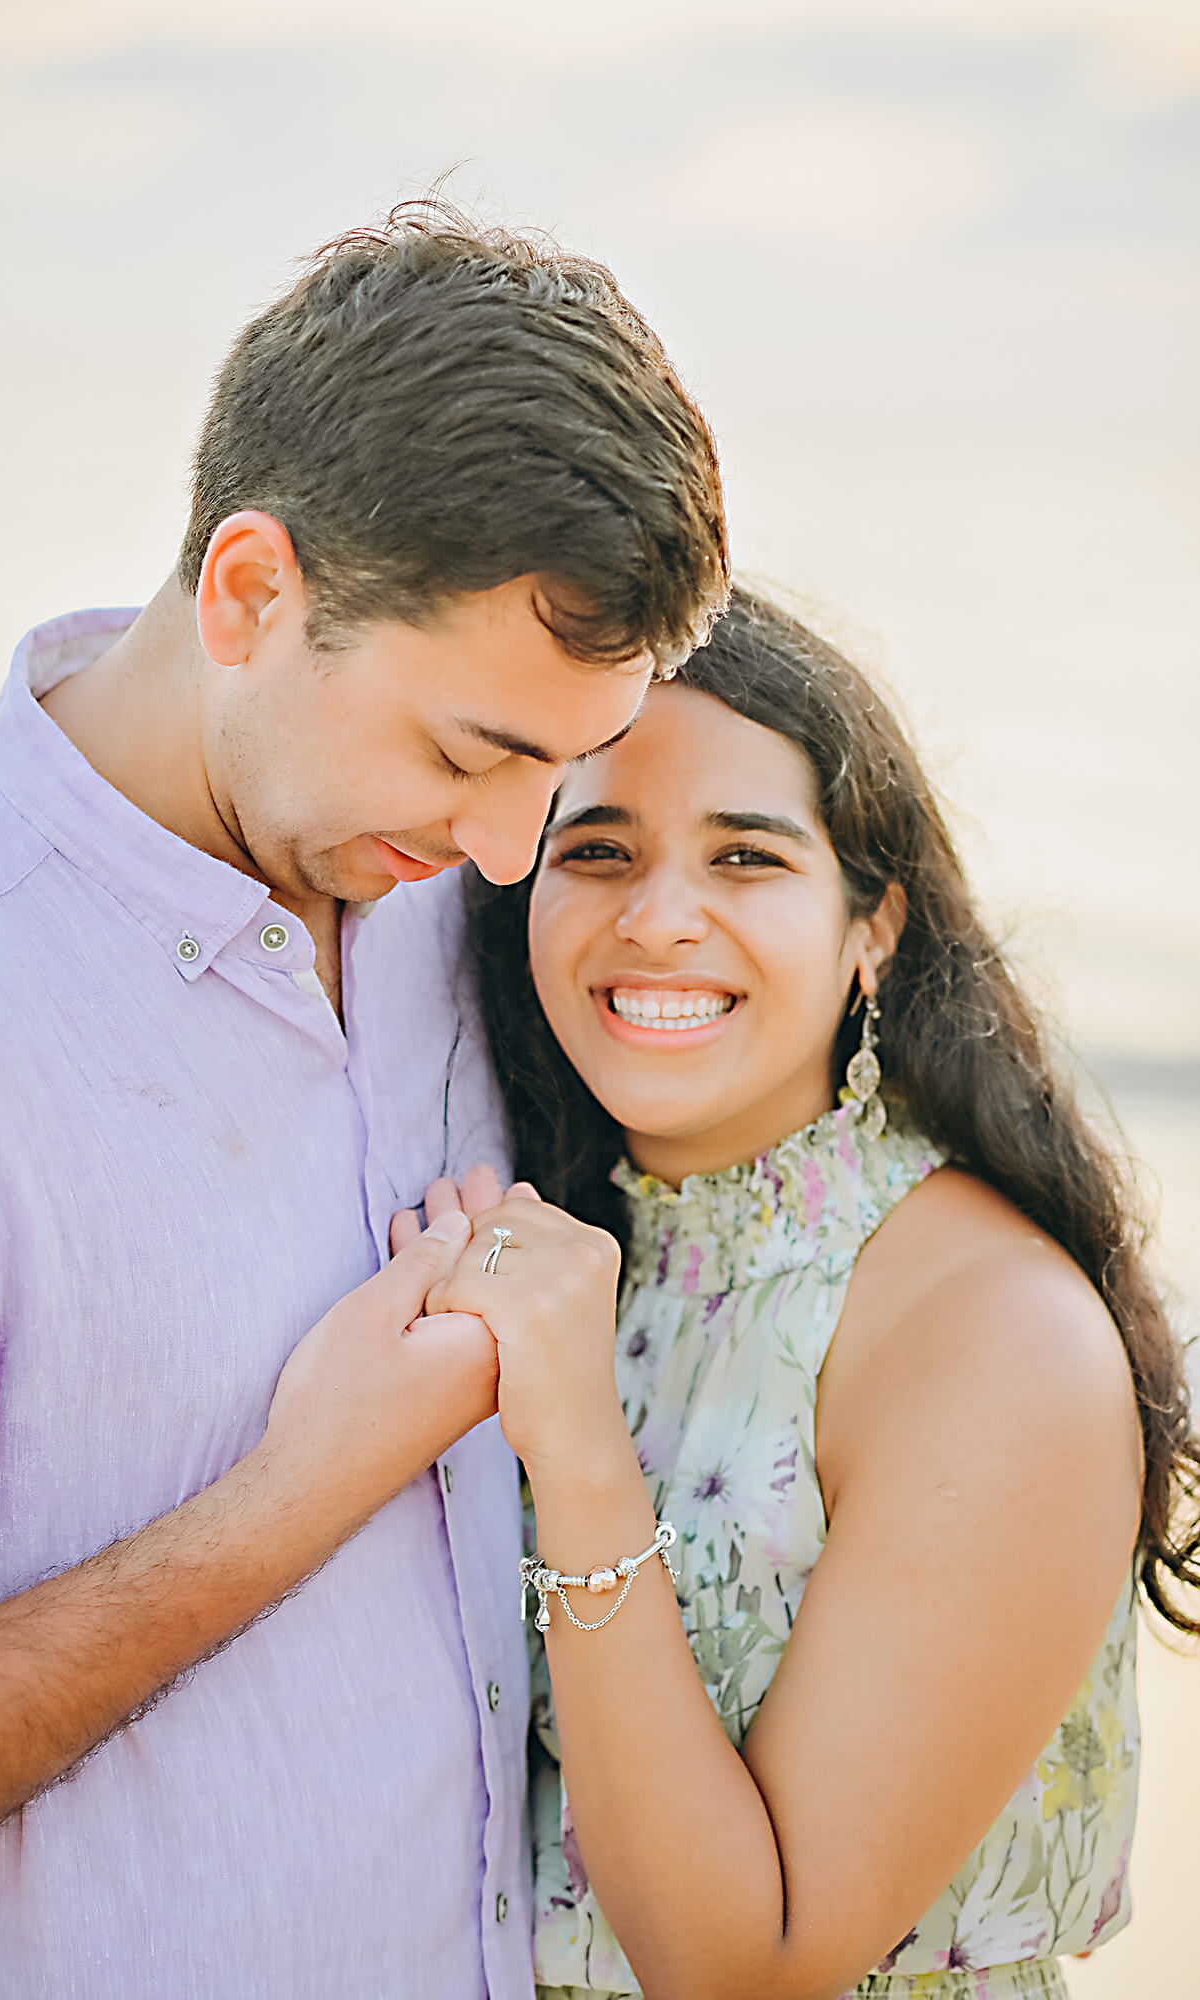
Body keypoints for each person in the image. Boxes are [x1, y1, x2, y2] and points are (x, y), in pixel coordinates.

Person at [0, 204, 729, 1998]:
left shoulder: (435, 886)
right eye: (468, 754)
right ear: (253, 592)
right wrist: (292, 1495)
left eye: (562, 771)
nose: (509, 854)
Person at [412, 588, 1200, 1999]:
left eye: (746, 858)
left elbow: (746, 1968)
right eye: (597, 849)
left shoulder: (987, 1334)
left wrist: (582, 1448)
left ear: (872, 928)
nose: (660, 919)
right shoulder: (578, 1235)